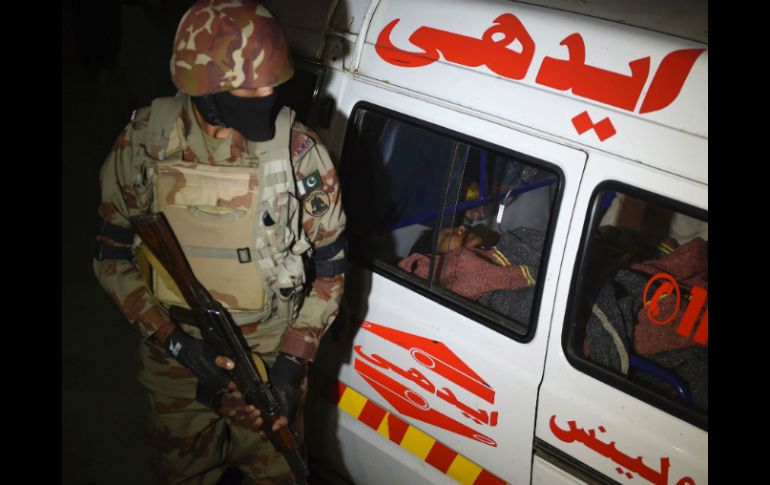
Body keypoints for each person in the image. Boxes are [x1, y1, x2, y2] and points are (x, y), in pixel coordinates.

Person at [92, 1, 346, 483]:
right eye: (251, 86)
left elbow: (331, 273)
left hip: (270, 359)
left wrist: (292, 364)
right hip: (174, 363)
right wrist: (177, 344)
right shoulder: (144, 145)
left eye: (273, 82)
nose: (269, 93)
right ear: (206, 91)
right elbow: (109, 258)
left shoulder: (299, 156)